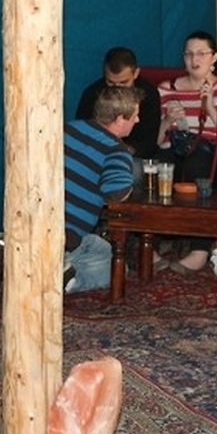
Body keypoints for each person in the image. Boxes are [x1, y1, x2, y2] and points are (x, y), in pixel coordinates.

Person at [156, 31, 217, 272]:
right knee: (157, 167)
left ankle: (200, 251)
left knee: (197, 165)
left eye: (201, 53)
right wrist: (167, 121)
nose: (195, 59)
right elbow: (157, 140)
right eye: (189, 54)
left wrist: (210, 107)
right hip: (173, 149)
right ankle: (149, 246)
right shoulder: (166, 88)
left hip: (212, 155)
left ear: (214, 57)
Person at [63, 86, 138, 293]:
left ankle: (61, 265)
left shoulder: (68, 128)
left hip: (38, 219)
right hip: (67, 235)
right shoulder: (116, 150)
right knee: (116, 270)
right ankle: (65, 280)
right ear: (120, 119)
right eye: (135, 116)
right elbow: (115, 194)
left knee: (100, 247)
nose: (138, 120)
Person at [75, 47, 161, 161]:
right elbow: (82, 133)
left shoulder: (148, 94)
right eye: (110, 82)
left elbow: (148, 143)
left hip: (136, 156)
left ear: (136, 73)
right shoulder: (92, 94)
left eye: (124, 83)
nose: (117, 88)